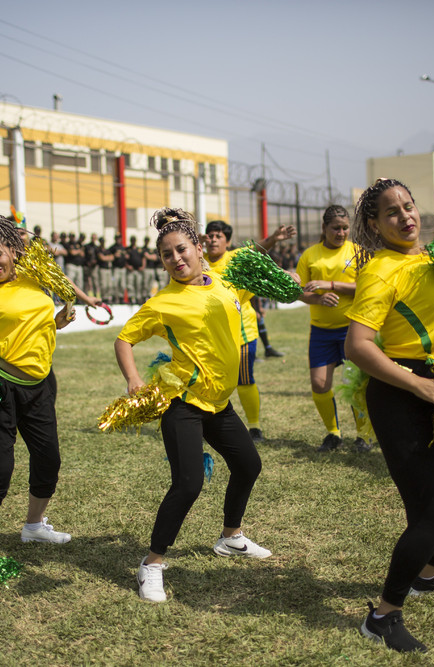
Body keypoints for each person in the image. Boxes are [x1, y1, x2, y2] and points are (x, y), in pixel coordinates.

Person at [346, 178, 434, 652]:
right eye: (392, 212)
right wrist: (417, 384)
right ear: (374, 224)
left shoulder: (431, 257)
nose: (406, 217)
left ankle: (427, 574)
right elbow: (358, 347)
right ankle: (383, 616)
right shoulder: (380, 270)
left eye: (409, 207)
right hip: (402, 391)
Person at [114, 208, 270, 603]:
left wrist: (303, 287)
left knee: (249, 465)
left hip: (219, 402)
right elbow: (124, 340)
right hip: (183, 402)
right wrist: (134, 380)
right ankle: (151, 564)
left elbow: (272, 284)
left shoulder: (223, 281)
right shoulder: (164, 301)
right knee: (188, 484)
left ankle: (231, 537)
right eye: (167, 255)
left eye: (181, 249)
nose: (176, 259)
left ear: (198, 248)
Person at [0, 215, 96, 559]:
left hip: (40, 385)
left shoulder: (34, 280)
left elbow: (28, 327)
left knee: (49, 460)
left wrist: (54, 323)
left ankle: (33, 526)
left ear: (14, 251)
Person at [204, 220, 295, 443]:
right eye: (210, 235)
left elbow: (257, 248)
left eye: (218, 236)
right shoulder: (198, 262)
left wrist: (274, 238)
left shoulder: (235, 257)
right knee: (210, 381)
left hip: (242, 330)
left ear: (227, 241)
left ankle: (254, 427)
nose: (213, 239)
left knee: (245, 379)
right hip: (212, 333)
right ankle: (207, 425)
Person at [296, 205, 371, 452]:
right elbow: (299, 291)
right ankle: (333, 433)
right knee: (319, 385)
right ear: (324, 228)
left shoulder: (358, 252)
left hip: (353, 328)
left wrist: (331, 285)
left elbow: (366, 287)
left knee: (356, 385)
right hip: (321, 332)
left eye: (345, 228)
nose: (341, 233)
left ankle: (363, 436)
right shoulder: (310, 255)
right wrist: (317, 298)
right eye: (335, 228)